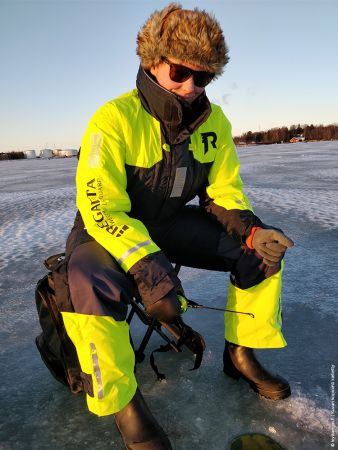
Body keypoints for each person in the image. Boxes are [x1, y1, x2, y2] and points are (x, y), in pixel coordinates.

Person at [64, 3, 294, 449]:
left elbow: (223, 191)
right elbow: (101, 207)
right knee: (88, 280)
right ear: (152, 61)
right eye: (180, 73)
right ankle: (124, 402)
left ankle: (241, 353)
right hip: (106, 230)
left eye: (203, 77)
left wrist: (251, 231)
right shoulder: (112, 120)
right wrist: (151, 273)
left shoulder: (215, 124)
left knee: (259, 251)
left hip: (168, 224)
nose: (191, 87)